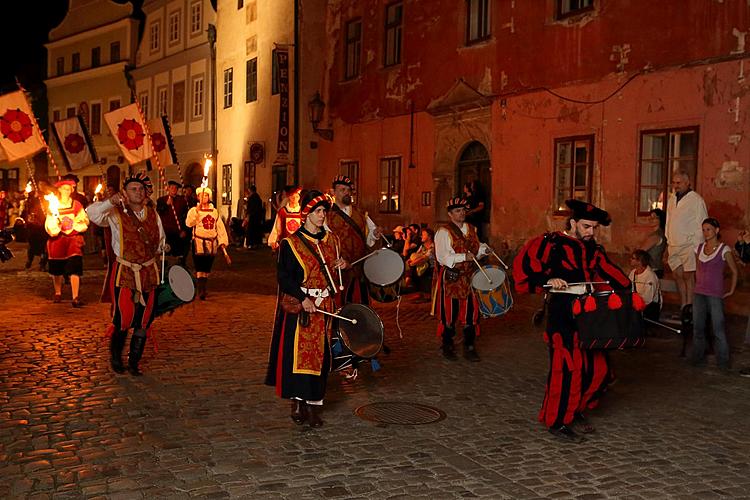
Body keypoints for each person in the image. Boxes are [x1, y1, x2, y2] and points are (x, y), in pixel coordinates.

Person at [513, 199, 631, 443]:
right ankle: (557, 420)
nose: (591, 232)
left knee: (596, 369)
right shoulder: (550, 244)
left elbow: (612, 275)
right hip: (562, 315)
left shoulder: (593, 250)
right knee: (566, 369)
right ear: (573, 223)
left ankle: (575, 409)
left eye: (594, 228)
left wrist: (631, 292)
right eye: (587, 226)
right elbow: (525, 269)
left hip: (589, 317)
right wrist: (549, 280)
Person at [265, 190, 346, 428]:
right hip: (303, 308)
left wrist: (343, 264)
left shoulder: (332, 242)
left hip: (325, 309)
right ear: (306, 214)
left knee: (320, 358)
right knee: (299, 357)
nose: (322, 216)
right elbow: (284, 277)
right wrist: (302, 298)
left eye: (324, 212)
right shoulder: (291, 244)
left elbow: (335, 273)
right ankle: (298, 403)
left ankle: (314, 406)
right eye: (317, 212)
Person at [87, 172, 166, 376]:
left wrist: (164, 247)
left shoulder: (153, 214)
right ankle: (116, 357)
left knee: (145, 319)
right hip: (126, 271)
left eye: (140, 189)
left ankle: (134, 361)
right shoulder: (115, 213)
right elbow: (92, 214)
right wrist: (108, 202)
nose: (138, 192)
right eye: (133, 189)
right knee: (123, 317)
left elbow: (159, 241)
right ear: (125, 192)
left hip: (149, 271)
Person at [431, 197, 490, 362]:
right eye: (457, 211)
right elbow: (442, 257)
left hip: (469, 276)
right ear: (450, 214)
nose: (462, 213)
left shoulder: (472, 229)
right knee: (449, 311)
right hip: (452, 277)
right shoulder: (443, 232)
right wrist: (464, 256)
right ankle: (447, 344)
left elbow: (477, 250)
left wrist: (483, 251)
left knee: (471, 311)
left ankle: (469, 345)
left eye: (463, 210)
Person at [688, 218, 738, 370]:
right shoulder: (699, 248)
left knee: (718, 327)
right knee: (698, 326)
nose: (705, 232)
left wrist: (731, 290)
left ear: (716, 230)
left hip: (715, 294)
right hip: (699, 292)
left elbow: (734, 271)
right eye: (703, 230)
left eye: (708, 229)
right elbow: (696, 269)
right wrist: (695, 286)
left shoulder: (724, 250)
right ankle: (697, 357)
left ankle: (723, 361)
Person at [326, 175, 381, 306]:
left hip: (358, 268)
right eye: (342, 190)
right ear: (333, 192)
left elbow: (370, 235)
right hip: (338, 270)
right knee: (340, 304)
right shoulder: (326, 215)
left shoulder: (361, 214)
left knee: (359, 304)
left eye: (348, 190)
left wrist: (375, 233)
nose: (346, 193)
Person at [665, 171, 708, 318]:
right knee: (677, 275)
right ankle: (683, 306)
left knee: (689, 276)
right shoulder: (672, 199)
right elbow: (668, 220)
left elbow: (702, 222)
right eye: (674, 182)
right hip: (673, 243)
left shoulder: (696, 200)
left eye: (679, 183)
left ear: (687, 182)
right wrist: (668, 238)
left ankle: (692, 310)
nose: (675, 185)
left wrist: (697, 246)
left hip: (689, 244)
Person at [45, 179, 89, 307]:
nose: (67, 191)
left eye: (69, 189)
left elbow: (84, 220)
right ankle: (58, 292)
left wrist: (73, 224)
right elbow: (49, 224)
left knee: (74, 267)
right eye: (64, 188)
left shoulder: (76, 205)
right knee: (56, 268)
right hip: (57, 240)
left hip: (73, 239)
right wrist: (56, 225)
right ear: (59, 190)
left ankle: (75, 296)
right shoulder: (53, 206)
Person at [186, 186, 230, 300]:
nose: (203, 198)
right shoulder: (193, 210)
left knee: (207, 267)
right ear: (198, 197)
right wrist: (196, 211)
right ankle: (201, 290)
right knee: (200, 267)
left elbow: (219, 227)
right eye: (201, 196)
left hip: (211, 243)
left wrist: (223, 241)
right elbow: (189, 223)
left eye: (205, 196)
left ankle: (204, 287)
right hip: (199, 242)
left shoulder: (214, 211)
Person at [156, 180, 189, 266]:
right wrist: (166, 205)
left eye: (175, 188)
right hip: (166, 232)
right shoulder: (161, 200)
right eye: (172, 187)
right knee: (165, 255)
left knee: (178, 257)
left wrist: (184, 230)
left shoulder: (182, 201)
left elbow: (186, 217)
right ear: (168, 188)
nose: (174, 189)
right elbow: (159, 213)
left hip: (178, 233)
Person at [628, 249, 662, 323]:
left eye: (633, 258)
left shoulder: (650, 276)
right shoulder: (633, 272)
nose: (630, 259)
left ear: (639, 261)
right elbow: (629, 288)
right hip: (637, 303)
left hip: (650, 307)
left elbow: (648, 298)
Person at [268, 186, 302, 251]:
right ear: (289, 197)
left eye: (297, 197)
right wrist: (273, 240)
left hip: (299, 242)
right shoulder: (282, 212)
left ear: (299, 198)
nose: (294, 199)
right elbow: (276, 226)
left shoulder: (302, 212)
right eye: (292, 196)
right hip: (285, 242)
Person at [21, 191, 48, 271]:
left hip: (43, 228)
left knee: (44, 247)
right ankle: (29, 260)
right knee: (32, 246)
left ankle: (42, 264)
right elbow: (25, 214)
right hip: (33, 229)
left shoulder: (47, 203)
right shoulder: (30, 204)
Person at [406, 228, 435, 303]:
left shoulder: (433, 247)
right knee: (411, 263)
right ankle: (419, 292)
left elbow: (425, 258)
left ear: (429, 236)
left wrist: (413, 263)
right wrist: (409, 261)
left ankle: (426, 294)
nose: (421, 236)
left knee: (421, 267)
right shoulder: (422, 246)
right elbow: (416, 255)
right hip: (422, 266)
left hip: (430, 268)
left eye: (423, 235)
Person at [640, 208, 666, 278]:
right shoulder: (657, 233)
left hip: (654, 269)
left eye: (654, 218)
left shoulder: (657, 235)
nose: (651, 220)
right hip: (655, 268)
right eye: (650, 217)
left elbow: (641, 251)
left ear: (660, 220)